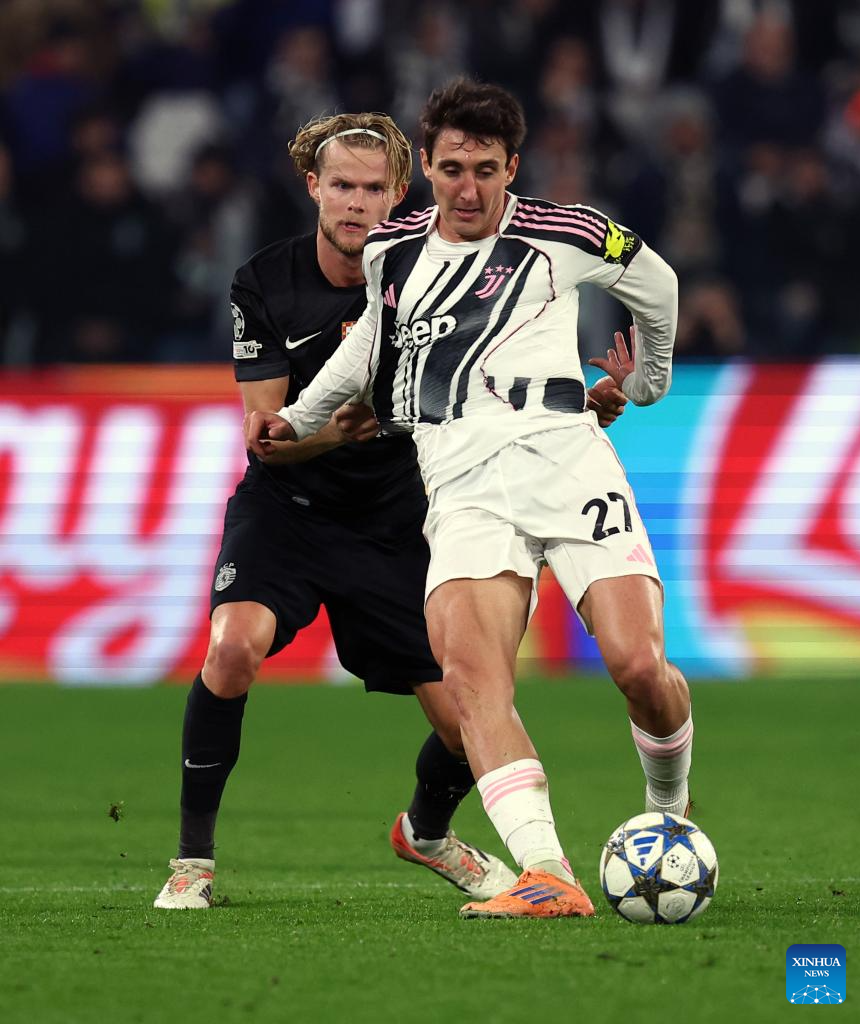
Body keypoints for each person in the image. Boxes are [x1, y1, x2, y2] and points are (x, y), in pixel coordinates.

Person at [247, 80, 691, 920]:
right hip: (461, 480)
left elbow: (659, 285)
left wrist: (649, 384)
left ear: (512, 167)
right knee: (472, 679)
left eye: (486, 170)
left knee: (639, 666)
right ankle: (547, 874)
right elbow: (370, 349)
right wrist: (298, 417)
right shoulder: (392, 249)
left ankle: (668, 809)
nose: (468, 189)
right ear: (427, 166)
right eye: (452, 169)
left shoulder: (567, 232)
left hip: (567, 461)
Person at [153, 113, 524, 910]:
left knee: (471, 722)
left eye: (373, 188)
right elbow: (267, 438)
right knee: (232, 649)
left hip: (396, 522)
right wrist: (334, 434)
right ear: (313, 187)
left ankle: (427, 833)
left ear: (399, 195)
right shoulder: (265, 282)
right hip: (287, 511)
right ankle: (192, 864)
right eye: (342, 185)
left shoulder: (440, 275)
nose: (356, 202)